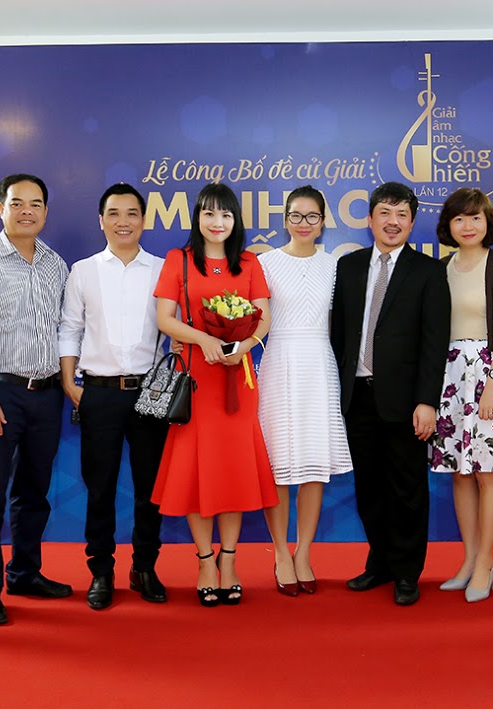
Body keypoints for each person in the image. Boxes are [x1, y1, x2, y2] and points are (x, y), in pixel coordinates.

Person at [151, 182, 277, 607]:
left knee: (232, 471)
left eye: (225, 214)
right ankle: (205, 561)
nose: (217, 222)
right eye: (209, 213)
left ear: (235, 219)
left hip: (237, 379)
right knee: (196, 470)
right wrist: (203, 339)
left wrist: (245, 344)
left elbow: (263, 317)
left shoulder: (249, 262)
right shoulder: (180, 260)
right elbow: (165, 318)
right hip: (195, 380)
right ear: (198, 218)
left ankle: (229, 560)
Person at [0, 173, 71, 626]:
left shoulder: (56, 265)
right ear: (0, 208)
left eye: (36, 204)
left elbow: (66, 329)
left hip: (46, 395)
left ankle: (24, 572)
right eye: (17, 203)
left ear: (45, 211)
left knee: (33, 491)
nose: (27, 211)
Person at [331, 181, 450, 606]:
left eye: (402, 214)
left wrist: (427, 401)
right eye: (385, 212)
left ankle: (406, 572)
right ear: (370, 219)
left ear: (412, 222)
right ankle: (379, 562)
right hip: (358, 396)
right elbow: (339, 334)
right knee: (369, 488)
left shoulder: (428, 272)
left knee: (407, 489)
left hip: (406, 401)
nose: (393, 221)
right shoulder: (348, 267)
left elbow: (435, 342)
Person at [59, 183, 169, 610]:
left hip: (150, 395)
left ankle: (145, 567)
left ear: (144, 220)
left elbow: (174, 331)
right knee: (100, 488)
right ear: (101, 220)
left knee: (150, 489)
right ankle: (101, 571)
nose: (123, 222)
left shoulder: (163, 270)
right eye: (114, 214)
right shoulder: (83, 271)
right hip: (99, 394)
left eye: (131, 213)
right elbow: (70, 328)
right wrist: (70, 383)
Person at [429, 188, 493, 603]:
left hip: (489, 376)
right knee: (460, 473)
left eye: (475, 218)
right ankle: (468, 560)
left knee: (488, 473)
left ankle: (486, 562)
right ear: (448, 226)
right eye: (459, 218)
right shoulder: (441, 268)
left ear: (488, 223)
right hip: (449, 378)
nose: (468, 226)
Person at [257, 186, 352, 597]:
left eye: (312, 216)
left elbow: (338, 325)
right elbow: (255, 321)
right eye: (296, 215)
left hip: (319, 364)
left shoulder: (334, 266)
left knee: (314, 467)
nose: (303, 223)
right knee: (277, 466)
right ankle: (280, 552)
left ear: (323, 222)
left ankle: (304, 552)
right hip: (279, 363)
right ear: (285, 219)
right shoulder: (264, 263)